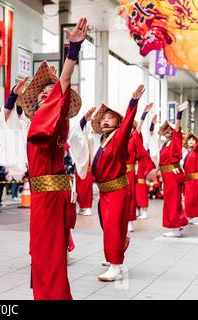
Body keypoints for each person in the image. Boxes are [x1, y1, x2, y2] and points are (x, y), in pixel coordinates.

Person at [16, 18, 88, 300]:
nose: (48, 96)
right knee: (42, 252)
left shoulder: (54, 119)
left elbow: (65, 83)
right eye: (42, 94)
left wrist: (73, 51)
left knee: (46, 253)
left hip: (49, 197)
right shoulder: (37, 122)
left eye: (52, 94)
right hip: (45, 196)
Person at [90, 83, 146, 282]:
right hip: (105, 192)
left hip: (116, 191)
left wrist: (134, 101)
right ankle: (117, 254)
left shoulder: (119, 137)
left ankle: (115, 266)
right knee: (109, 227)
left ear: (118, 122)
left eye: (110, 117)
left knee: (113, 227)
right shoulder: (104, 140)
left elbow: (129, 120)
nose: (105, 120)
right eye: (103, 118)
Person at [158, 101, 190, 237]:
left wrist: (178, 114)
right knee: (172, 201)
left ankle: (175, 228)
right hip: (168, 175)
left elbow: (177, 130)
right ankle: (179, 223)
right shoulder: (165, 144)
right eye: (165, 130)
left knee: (172, 201)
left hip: (172, 174)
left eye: (169, 129)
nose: (167, 131)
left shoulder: (175, 140)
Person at [126, 103, 154, 232]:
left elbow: (139, 127)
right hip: (119, 172)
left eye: (132, 128)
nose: (131, 130)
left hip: (130, 172)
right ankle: (123, 220)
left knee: (130, 195)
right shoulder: (119, 139)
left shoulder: (133, 139)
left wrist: (143, 114)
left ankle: (130, 221)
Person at [135, 115, 157, 220]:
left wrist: (146, 174)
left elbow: (151, 137)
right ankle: (138, 210)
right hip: (134, 176)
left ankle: (144, 211)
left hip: (141, 177)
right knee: (135, 195)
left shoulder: (144, 150)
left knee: (142, 194)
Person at [183, 131, 198, 224]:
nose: (191, 141)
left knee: (195, 198)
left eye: (193, 139)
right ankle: (189, 216)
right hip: (188, 180)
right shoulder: (185, 153)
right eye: (189, 139)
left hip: (195, 179)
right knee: (188, 199)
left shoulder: (196, 151)